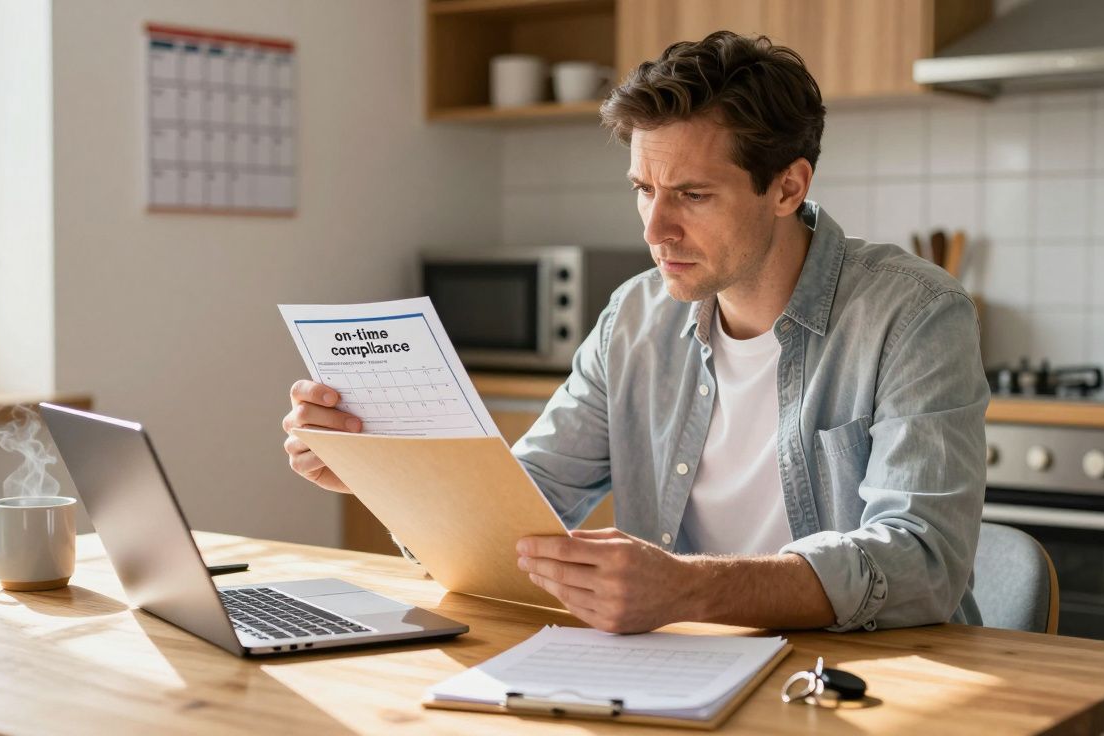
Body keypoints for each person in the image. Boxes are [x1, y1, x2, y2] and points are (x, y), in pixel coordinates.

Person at [283, 31, 988, 635]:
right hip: (685, 672)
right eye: (644, 190)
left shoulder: (915, 314)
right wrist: (387, 472)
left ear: (786, 188)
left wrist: (689, 588)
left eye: (693, 195)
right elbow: (527, 503)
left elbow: (921, 561)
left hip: (874, 681)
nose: (655, 230)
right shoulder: (634, 316)